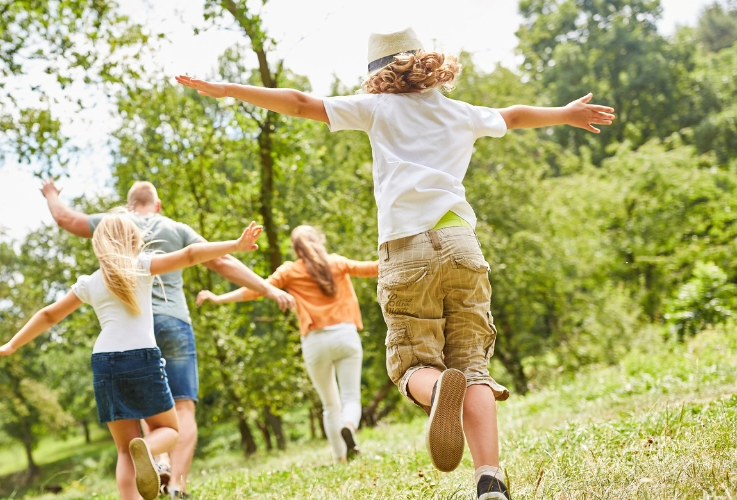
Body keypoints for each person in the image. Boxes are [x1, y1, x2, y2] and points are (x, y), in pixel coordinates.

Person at [175, 27, 614, 500]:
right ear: (426, 64)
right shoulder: (459, 112)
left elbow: (300, 102)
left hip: (406, 250)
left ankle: (435, 391)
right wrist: (566, 114)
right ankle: (490, 480)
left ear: (378, 75)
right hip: (461, 243)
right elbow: (514, 115)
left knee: (411, 364)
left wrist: (229, 90)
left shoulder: (377, 109)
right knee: (474, 367)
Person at [0, 214, 265, 500]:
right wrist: (236, 244)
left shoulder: (90, 282)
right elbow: (191, 254)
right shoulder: (142, 266)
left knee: (123, 449)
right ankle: (146, 447)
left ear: (99, 245)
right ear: (133, 240)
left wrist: (12, 345)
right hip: (142, 358)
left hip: (104, 363)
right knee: (168, 429)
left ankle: (137, 460)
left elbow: (48, 314)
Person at [40, 179, 293, 498]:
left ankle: (157, 464)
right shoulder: (175, 227)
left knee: (147, 408)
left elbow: (66, 219)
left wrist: (51, 194)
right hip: (173, 322)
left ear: (129, 206)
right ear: (157, 205)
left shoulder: (113, 224)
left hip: (129, 332)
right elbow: (219, 261)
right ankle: (176, 486)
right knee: (182, 410)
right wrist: (268, 288)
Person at [195, 225, 378, 462]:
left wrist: (219, 298)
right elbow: (374, 268)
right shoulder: (337, 263)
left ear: (295, 248)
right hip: (345, 335)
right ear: (319, 241)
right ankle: (349, 426)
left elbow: (257, 289)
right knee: (350, 398)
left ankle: (340, 458)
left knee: (329, 404)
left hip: (315, 342)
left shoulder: (290, 271)